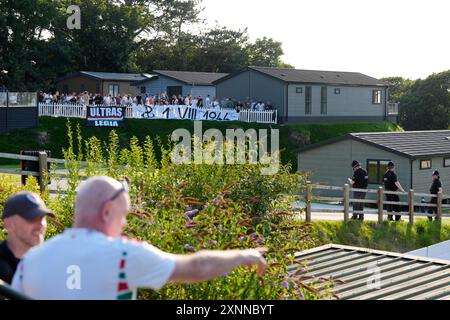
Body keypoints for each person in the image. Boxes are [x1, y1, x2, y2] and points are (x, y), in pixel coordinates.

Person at [11, 176, 267, 300]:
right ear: (107, 211)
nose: (124, 224)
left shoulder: (30, 261)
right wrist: (243, 254)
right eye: (123, 216)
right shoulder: (123, 254)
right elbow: (197, 268)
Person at [0, 192, 53, 284]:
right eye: (32, 218)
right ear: (9, 224)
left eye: (42, 218)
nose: (41, 224)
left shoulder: (53, 263)